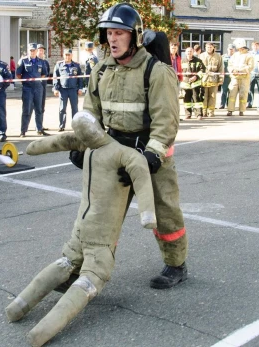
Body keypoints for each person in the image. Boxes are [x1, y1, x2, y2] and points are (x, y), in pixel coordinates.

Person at [7, 111, 157, 347]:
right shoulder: (124, 154)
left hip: (80, 229)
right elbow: (142, 178)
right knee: (91, 279)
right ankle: (41, 333)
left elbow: (55, 142)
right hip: (100, 238)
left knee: (65, 262)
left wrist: (33, 147)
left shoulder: (86, 146)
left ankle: (18, 307)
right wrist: (147, 216)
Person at [80, 3, 188, 289]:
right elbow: (90, 114)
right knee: (98, 216)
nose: (112, 39)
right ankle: (86, 268)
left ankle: (176, 264)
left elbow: (166, 122)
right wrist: (83, 144)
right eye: (108, 33)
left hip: (149, 155)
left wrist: (150, 157)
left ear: (135, 36)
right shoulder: (101, 70)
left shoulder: (156, 71)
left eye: (119, 33)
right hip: (114, 154)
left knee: (165, 213)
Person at [16, 43, 49, 137]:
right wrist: (26, 83)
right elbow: (18, 75)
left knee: (39, 109)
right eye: (31, 50)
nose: (32, 52)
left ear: (36, 51)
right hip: (28, 88)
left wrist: (37, 81)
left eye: (34, 50)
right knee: (26, 110)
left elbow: (44, 73)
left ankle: (39, 129)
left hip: (38, 88)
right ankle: (23, 131)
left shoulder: (41, 62)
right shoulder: (23, 61)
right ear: (28, 51)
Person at [53, 49, 84, 131]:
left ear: (71, 55)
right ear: (64, 55)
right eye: (66, 55)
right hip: (63, 90)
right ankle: (61, 126)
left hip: (73, 90)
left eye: (69, 55)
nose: (67, 56)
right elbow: (55, 77)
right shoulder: (59, 65)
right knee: (62, 108)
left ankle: (75, 126)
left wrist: (80, 88)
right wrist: (55, 89)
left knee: (75, 108)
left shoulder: (76, 65)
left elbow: (80, 78)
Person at [227, 38, 254, 116]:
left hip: (244, 78)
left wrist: (241, 71)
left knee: (243, 94)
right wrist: (232, 70)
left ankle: (241, 110)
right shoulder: (235, 55)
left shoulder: (249, 56)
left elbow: (250, 66)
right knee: (232, 94)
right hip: (234, 78)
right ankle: (230, 110)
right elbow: (230, 65)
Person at [200, 42, 223, 117]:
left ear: (213, 48)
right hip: (204, 79)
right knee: (204, 96)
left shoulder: (218, 56)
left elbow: (221, 68)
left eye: (210, 47)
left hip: (214, 79)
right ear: (205, 47)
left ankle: (211, 112)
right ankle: (204, 112)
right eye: (207, 47)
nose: (209, 48)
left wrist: (221, 78)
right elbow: (198, 68)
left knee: (212, 96)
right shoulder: (201, 56)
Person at [180, 47, 203, 119]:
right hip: (185, 82)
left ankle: (198, 114)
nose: (189, 53)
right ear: (185, 52)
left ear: (193, 52)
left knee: (197, 99)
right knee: (186, 99)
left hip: (195, 83)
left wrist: (196, 77)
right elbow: (179, 71)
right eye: (187, 51)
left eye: (190, 51)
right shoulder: (182, 61)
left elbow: (202, 71)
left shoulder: (198, 61)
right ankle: (188, 114)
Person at [219, 44, 235, 109]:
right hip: (225, 77)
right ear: (227, 49)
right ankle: (222, 104)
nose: (231, 51)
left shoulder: (236, 57)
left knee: (231, 92)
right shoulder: (223, 57)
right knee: (224, 91)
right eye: (230, 49)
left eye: (232, 49)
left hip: (233, 77)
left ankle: (229, 105)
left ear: (234, 50)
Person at [248, 42, 259, 109]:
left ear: (258, 46)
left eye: (257, 46)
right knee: (250, 89)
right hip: (251, 74)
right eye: (254, 46)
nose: (255, 47)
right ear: (252, 46)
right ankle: (249, 103)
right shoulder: (249, 54)